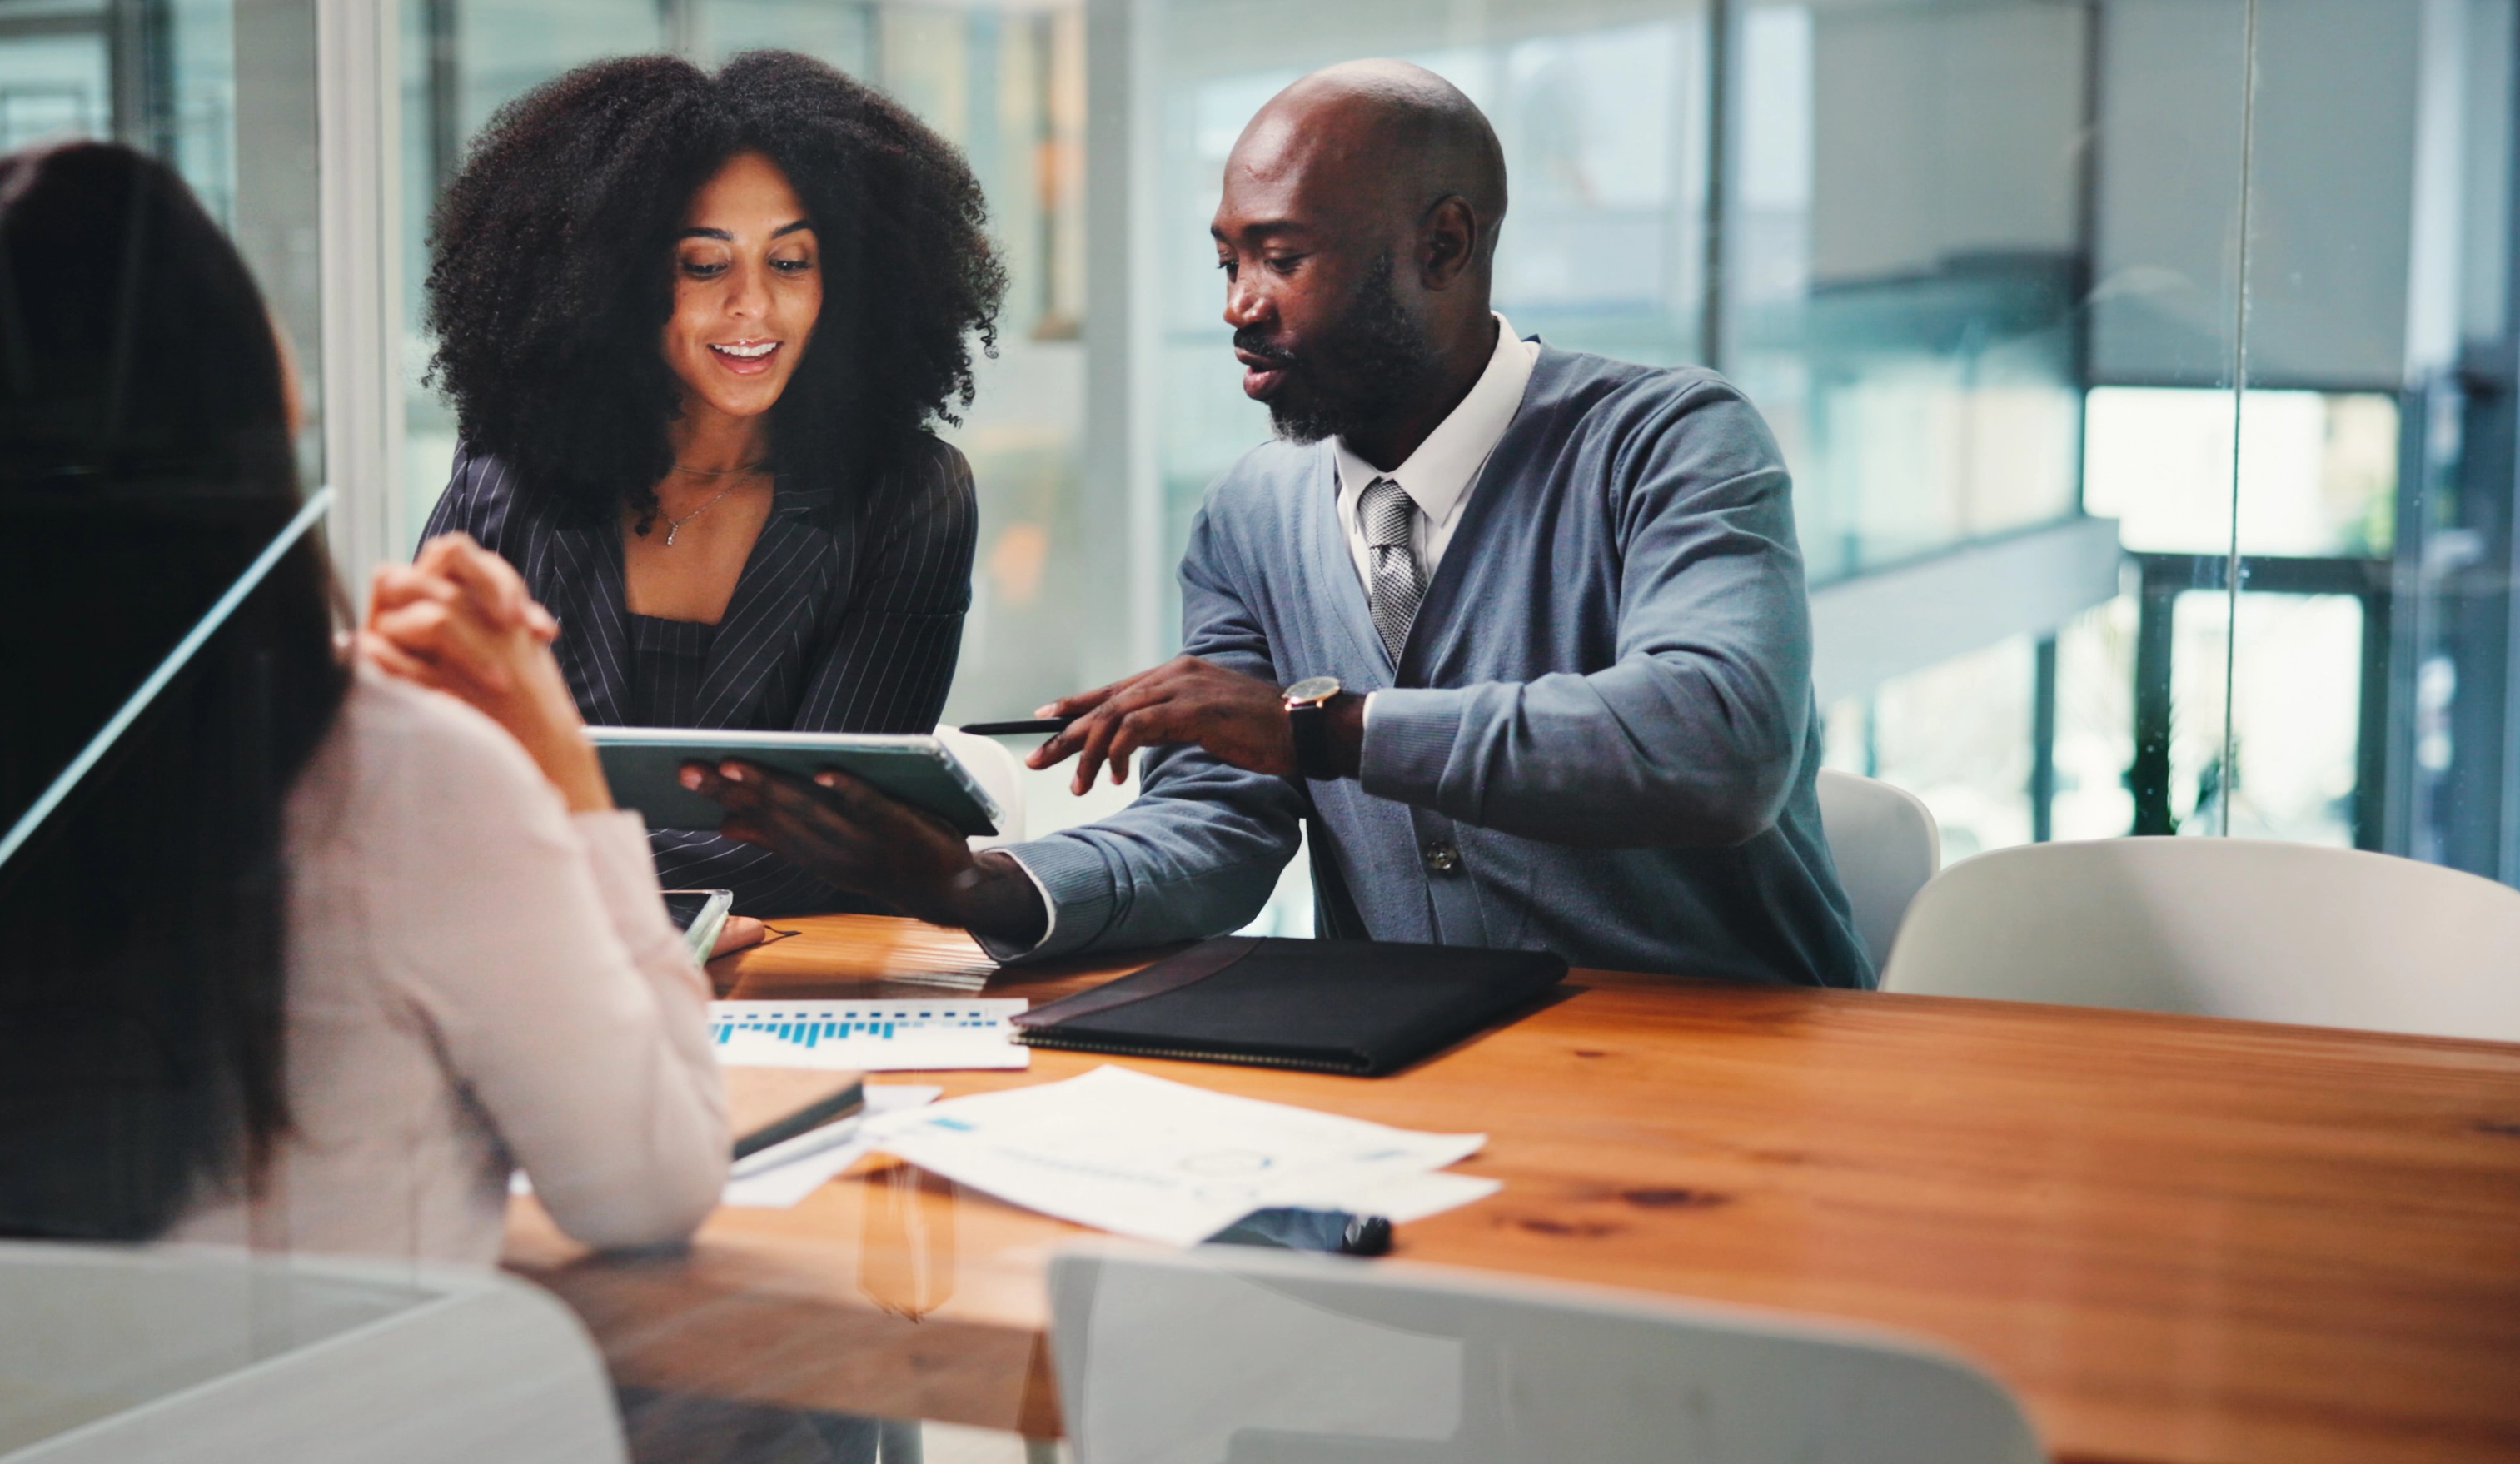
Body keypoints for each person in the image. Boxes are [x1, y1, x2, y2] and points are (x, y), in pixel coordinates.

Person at [696, 60, 1870, 987]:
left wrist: (1323, 727)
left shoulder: (1671, 440)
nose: (1237, 306)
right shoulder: (1250, 515)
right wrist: (975, 884)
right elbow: (1218, 826)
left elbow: (1717, 744)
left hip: (1736, 1056)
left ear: (1443, 245)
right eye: (1226, 260)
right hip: (1426, 1063)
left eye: (1280, 257)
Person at [0, 139, 727, 1267]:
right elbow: (653, 1187)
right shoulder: (412, 783)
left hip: (55, 1441)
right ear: (246, 384)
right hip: (363, 1442)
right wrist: (564, 775)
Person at [409, 49, 1000, 935]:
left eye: (791, 262)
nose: (753, 307)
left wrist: (534, 846)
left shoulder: (909, 497)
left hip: (802, 976)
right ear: (611, 282)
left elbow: (815, 845)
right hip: (541, 956)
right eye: (703, 265)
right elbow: (426, 775)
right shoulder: (511, 470)